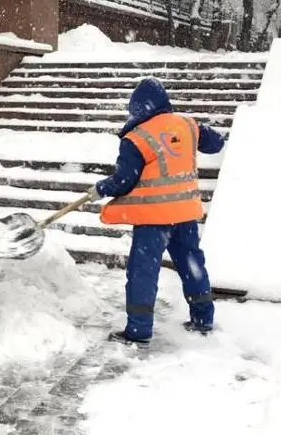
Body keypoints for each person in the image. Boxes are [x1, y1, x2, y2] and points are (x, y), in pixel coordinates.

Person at [88, 77, 225, 346]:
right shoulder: (188, 125)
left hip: (153, 217)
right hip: (185, 213)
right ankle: (203, 318)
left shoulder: (136, 138)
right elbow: (216, 143)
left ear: (137, 108)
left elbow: (124, 181)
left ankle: (139, 330)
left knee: (143, 272)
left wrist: (101, 188)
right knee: (192, 264)